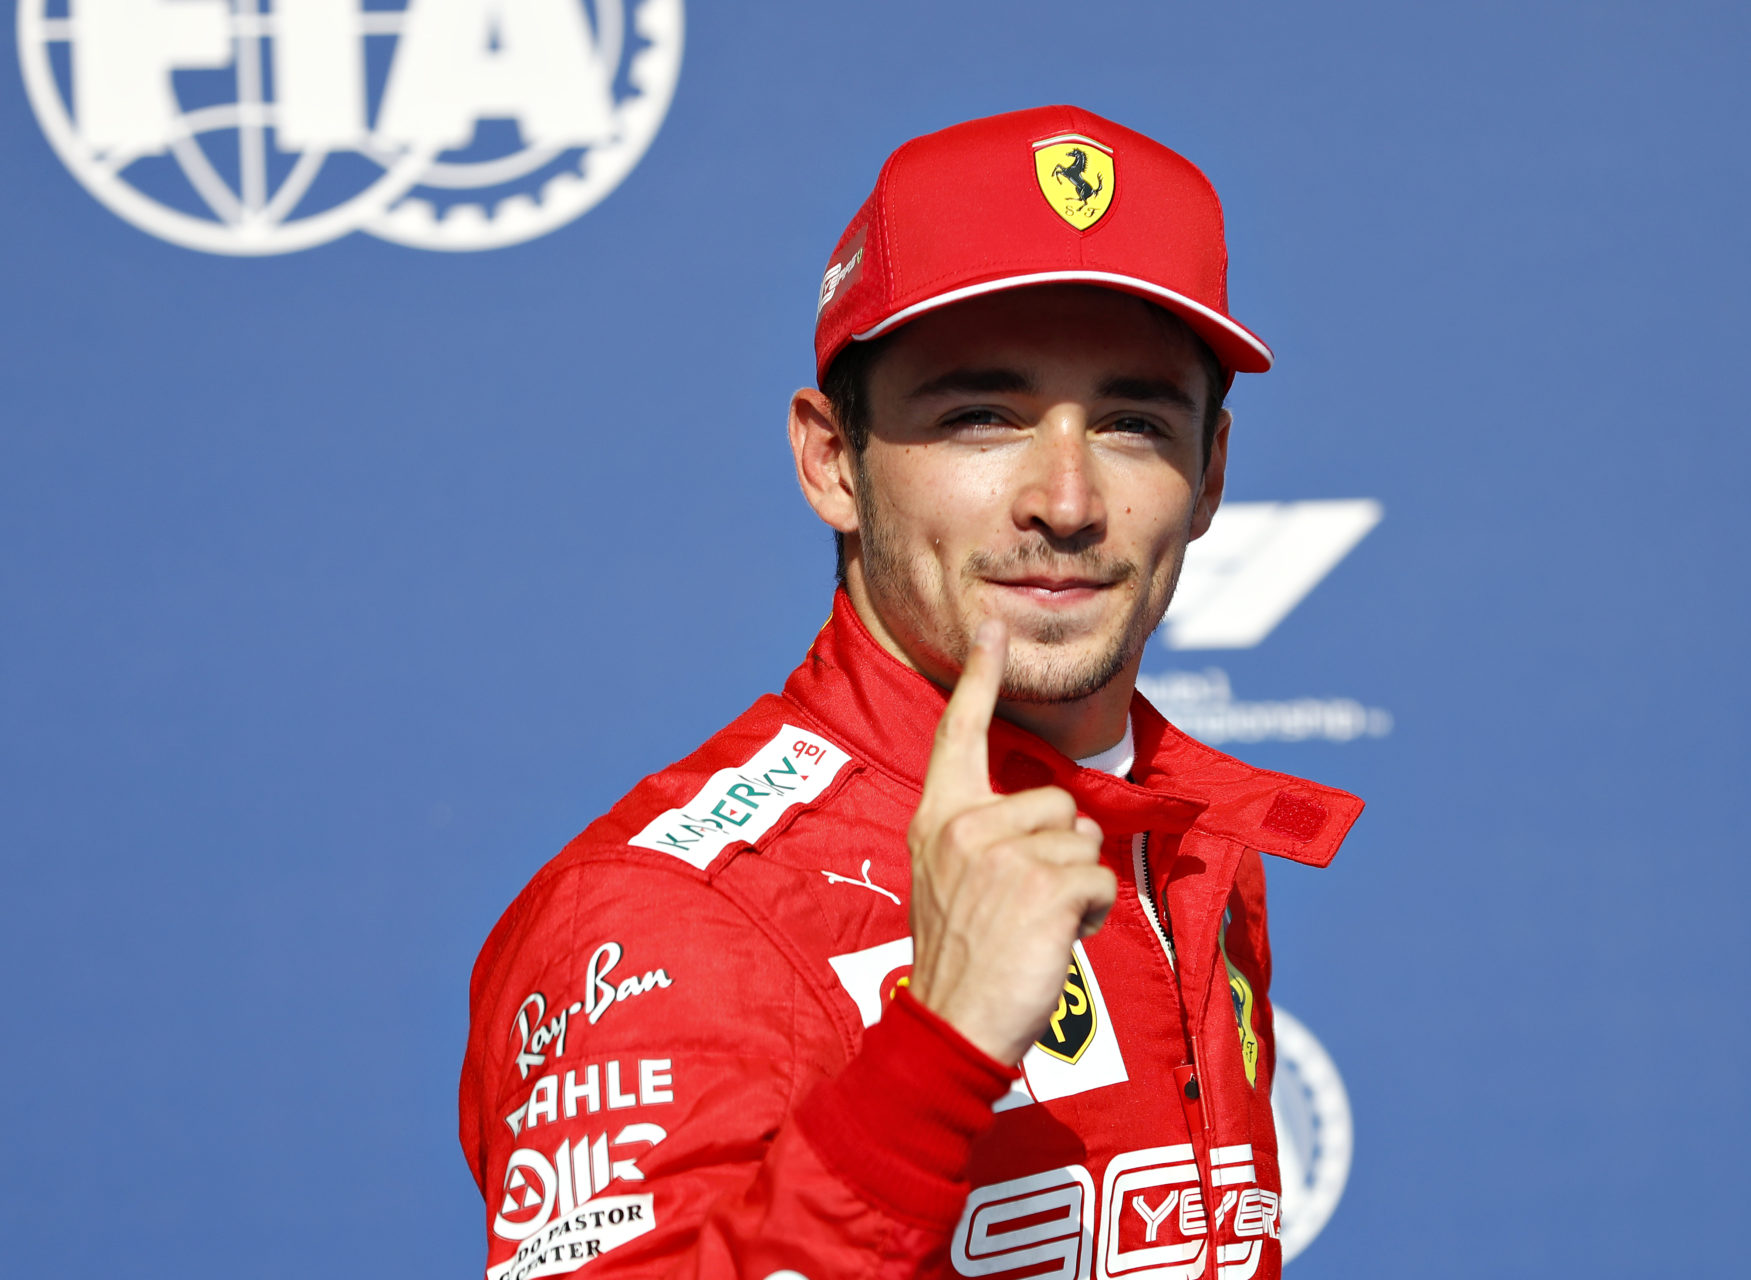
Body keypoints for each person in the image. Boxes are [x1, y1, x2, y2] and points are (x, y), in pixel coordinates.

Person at [460, 104, 1364, 1280]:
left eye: (1136, 422)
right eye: (980, 416)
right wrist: (938, 1050)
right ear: (833, 460)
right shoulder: (667, 918)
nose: (1068, 499)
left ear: (1211, 476)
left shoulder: (1181, 840)